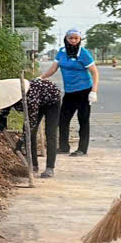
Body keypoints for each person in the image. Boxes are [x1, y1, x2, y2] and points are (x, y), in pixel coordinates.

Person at [0, 75, 62, 178]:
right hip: (38, 100)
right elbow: (6, 106)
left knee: (50, 132)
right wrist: (3, 118)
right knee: (30, 134)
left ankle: (50, 167)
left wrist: (21, 141)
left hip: (52, 101)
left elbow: (31, 124)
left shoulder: (30, 98)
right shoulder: (11, 95)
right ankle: (33, 165)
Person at [44, 27, 98, 156]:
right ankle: (64, 147)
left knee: (83, 119)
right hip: (69, 92)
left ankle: (82, 149)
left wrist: (94, 91)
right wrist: (41, 77)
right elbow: (53, 69)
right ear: (66, 39)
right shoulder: (61, 52)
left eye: (76, 38)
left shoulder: (84, 54)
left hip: (84, 91)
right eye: (71, 38)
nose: (73, 41)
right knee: (63, 119)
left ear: (79, 40)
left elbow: (95, 72)